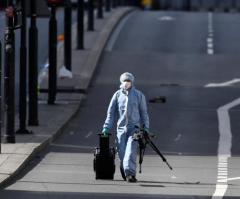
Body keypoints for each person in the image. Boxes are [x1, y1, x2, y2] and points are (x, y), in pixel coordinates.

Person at [102, 72, 150, 183]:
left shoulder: (139, 95)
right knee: (122, 152)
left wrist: (146, 127)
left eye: (129, 81)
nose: (127, 83)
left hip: (134, 129)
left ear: (132, 82)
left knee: (131, 151)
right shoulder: (117, 95)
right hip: (121, 130)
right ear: (121, 82)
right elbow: (111, 113)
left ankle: (130, 174)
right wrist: (106, 127)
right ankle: (125, 170)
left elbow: (144, 113)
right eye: (125, 81)